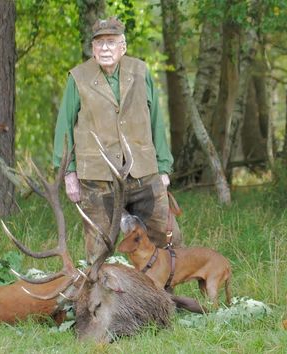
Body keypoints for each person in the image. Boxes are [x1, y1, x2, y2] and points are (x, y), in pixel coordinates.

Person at [53, 17, 182, 264]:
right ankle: (101, 297)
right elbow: (64, 129)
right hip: (97, 177)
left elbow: (157, 121)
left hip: (143, 171)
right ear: (92, 49)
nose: (105, 48)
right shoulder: (78, 78)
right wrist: (68, 173)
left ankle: (165, 296)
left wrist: (164, 167)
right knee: (99, 245)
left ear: (123, 46)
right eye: (99, 43)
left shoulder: (141, 71)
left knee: (166, 239)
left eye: (111, 43)